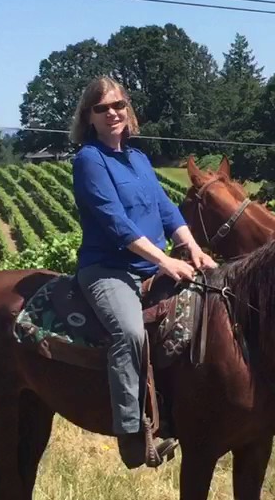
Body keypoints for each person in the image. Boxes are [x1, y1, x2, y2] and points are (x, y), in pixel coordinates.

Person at [69, 76, 217, 468]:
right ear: (89, 117)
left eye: (118, 105)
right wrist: (166, 261)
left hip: (151, 264)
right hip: (109, 270)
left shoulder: (138, 159)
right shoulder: (89, 160)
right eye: (102, 108)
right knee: (130, 332)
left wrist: (193, 248)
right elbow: (115, 224)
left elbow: (167, 210)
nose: (112, 113)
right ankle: (133, 433)